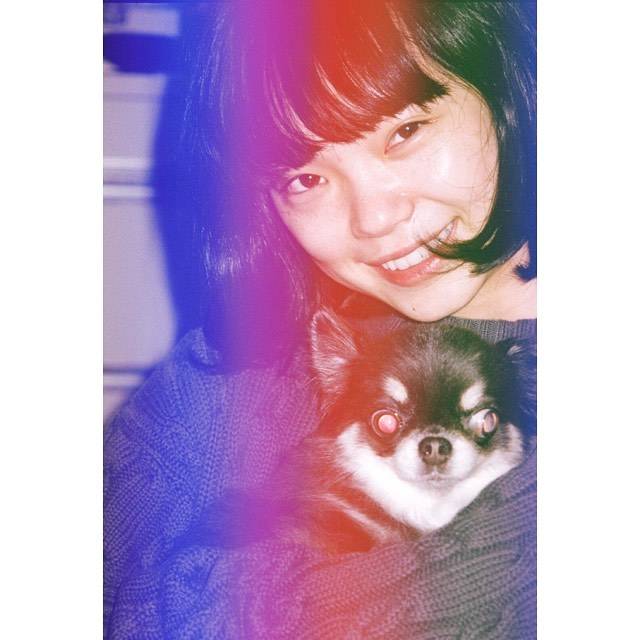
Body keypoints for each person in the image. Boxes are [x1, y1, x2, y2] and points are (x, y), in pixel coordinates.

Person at [104, 2, 536, 638]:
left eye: (406, 131)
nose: (374, 219)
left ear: (511, 91)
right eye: (304, 179)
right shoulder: (230, 377)